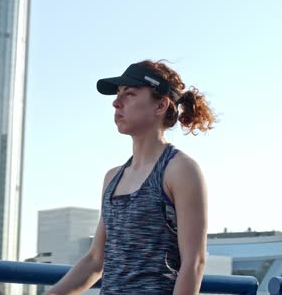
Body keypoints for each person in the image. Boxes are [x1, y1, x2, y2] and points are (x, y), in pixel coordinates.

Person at [45, 60, 216, 294]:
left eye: (130, 94)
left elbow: (194, 263)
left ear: (160, 106)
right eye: (117, 94)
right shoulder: (112, 178)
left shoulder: (180, 170)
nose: (116, 102)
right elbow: (95, 261)